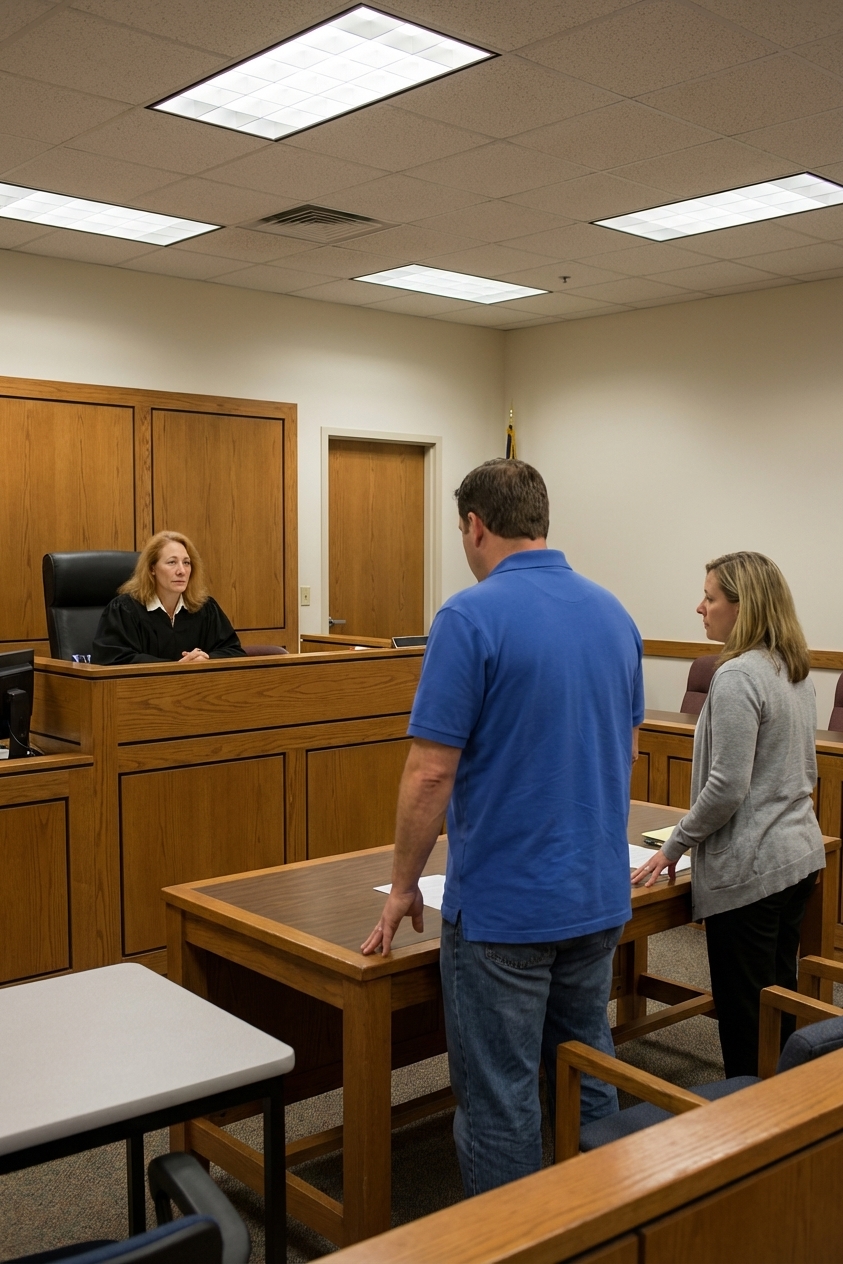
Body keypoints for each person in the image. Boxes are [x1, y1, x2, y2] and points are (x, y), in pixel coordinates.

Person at [362, 459, 643, 1195]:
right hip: (596, 897)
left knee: (500, 1101)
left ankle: (513, 1242)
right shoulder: (615, 614)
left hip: (505, 912)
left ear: (475, 526)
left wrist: (401, 887)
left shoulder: (468, 616)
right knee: (587, 1071)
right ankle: (601, 1226)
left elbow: (430, 773)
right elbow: (623, 750)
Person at [632, 552, 825, 1078]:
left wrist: (674, 845)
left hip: (753, 869)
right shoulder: (793, 669)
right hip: (797, 857)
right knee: (777, 1002)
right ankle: (788, 1107)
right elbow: (803, 771)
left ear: (743, 606)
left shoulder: (737, 674)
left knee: (745, 1020)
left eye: (710, 597)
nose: (700, 607)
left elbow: (726, 787)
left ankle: (751, 1117)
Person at [92, 530, 245, 664]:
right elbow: (114, 659)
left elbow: (234, 651)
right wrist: (176, 667)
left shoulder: (205, 608)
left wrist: (206, 659)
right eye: (172, 562)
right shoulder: (125, 610)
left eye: (186, 563)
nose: (181, 571)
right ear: (152, 568)